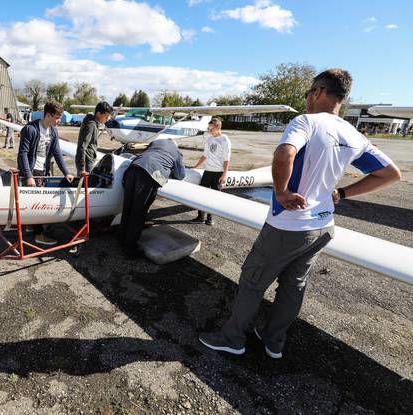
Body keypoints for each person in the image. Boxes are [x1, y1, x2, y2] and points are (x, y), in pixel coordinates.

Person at [199, 69, 401, 359]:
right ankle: (273, 342)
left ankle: (232, 339)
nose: (307, 98)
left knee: (253, 281)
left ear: (318, 92)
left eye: (309, 93)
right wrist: (342, 193)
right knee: (293, 286)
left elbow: (284, 154)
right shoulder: (353, 133)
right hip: (323, 226)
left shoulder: (306, 121)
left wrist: (280, 193)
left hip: (289, 225)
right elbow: (390, 173)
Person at [17, 100, 74, 245]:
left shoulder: (53, 131)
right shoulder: (30, 129)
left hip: (42, 170)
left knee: (35, 202)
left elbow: (57, 153)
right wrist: (29, 176)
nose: (59, 120)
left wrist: (66, 172)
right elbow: (22, 154)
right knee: (37, 203)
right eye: (57, 117)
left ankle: (31, 225)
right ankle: (39, 235)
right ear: (48, 115)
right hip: (31, 171)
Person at [121, 139, 185, 258]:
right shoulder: (176, 152)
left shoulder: (156, 142)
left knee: (128, 207)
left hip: (133, 168)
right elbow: (180, 175)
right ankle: (130, 249)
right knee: (138, 212)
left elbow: (146, 155)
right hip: (149, 174)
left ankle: (122, 240)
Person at [191, 117, 231, 225]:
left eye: (211, 128)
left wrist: (224, 174)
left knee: (214, 197)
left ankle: (210, 218)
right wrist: (196, 166)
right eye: (208, 128)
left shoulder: (224, 139)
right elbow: (205, 155)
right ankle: (200, 216)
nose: (209, 130)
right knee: (202, 195)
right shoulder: (209, 139)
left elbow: (226, 159)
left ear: (217, 127)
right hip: (208, 171)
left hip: (218, 172)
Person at [76, 101, 112, 177]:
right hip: (86, 165)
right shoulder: (91, 125)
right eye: (106, 116)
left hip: (88, 161)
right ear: (98, 114)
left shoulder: (94, 123)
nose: (107, 119)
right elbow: (82, 146)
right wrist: (82, 168)